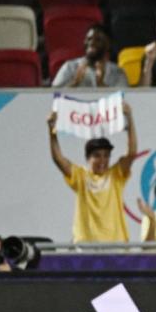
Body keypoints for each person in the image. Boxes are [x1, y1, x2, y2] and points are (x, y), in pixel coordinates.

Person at [47, 103, 137, 243]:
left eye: (106, 155)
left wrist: (129, 119)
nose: (102, 160)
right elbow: (58, 159)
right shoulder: (80, 175)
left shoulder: (116, 174)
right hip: (85, 245)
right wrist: (52, 131)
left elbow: (132, 153)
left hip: (116, 244)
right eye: (97, 155)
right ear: (87, 158)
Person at [52, 24, 129, 88]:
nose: (91, 43)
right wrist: (75, 83)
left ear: (108, 44)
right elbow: (51, 97)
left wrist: (101, 84)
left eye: (98, 40)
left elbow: (122, 100)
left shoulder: (117, 72)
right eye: (89, 39)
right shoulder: (69, 67)